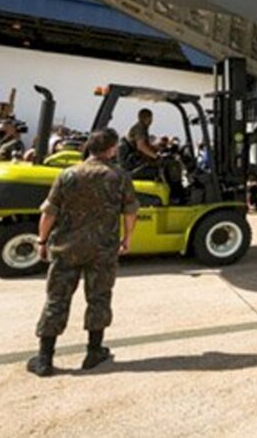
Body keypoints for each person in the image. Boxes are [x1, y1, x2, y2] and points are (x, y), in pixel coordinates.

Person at [27, 127, 139, 377]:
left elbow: (49, 213)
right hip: (103, 249)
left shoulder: (67, 175)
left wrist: (42, 241)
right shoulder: (119, 177)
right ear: (111, 149)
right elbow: (130, 211)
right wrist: (127, 237)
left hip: (67, 248)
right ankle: (94, 351)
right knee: (99, 297)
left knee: (57, 299)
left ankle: (44, 358)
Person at [119, 108, 160, 179]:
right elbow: (141, 146)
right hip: (130, 161)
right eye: (150, 118)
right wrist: (156, 156)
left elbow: (144, 144)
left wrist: (156, 148)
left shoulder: (142, 128)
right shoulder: (139, 128)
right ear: (147, 118)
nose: (151, 121)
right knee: (158, 170)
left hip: (132, 158)